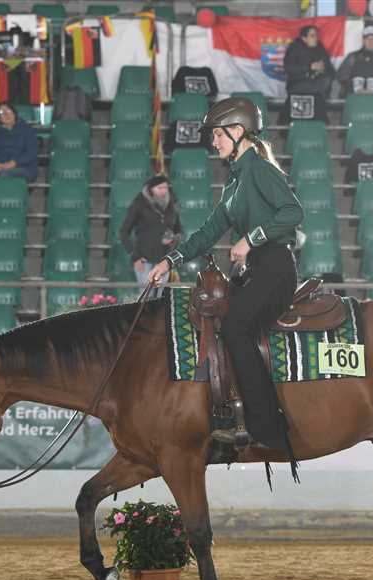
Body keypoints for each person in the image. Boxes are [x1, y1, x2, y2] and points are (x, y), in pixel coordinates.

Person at [146, 97, 303, 465]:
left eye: (218, 134)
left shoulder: (260, 170)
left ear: (237, 131)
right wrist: (170, 260)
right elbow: (207, 232)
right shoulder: (234, 181)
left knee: (234, 327)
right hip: (255, 270)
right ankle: (229, 410)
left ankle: (268, 429)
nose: (213, 142)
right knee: (218, 323)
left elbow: (293, 212)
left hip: (276, 267)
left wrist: (252, 238)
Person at [120, 174, 183, 292]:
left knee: (160, 297)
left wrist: (174, 239)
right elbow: (124, 232)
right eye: (160, 188)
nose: (164, 191)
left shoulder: (172, 204)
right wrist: (135, 257)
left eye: (165, 187)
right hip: (144, 260)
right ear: (151, 189)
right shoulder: (139, 203)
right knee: (146, 296)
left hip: (164, 260)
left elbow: (179, 230)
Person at [0, 103, 38, 200]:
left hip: (22, 167)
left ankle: (3, 202)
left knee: (5, 175)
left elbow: (31, 153)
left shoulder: (27, 130)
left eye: (8, 110)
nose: (6, 114)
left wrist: (14, 163)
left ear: (14, 113)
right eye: (2, 112)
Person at [284, 25, 335, 98]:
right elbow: (288, 68)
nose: (316, 38)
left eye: (316, 35)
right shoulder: (294, 48)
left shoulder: (320, 48)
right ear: (304, 38)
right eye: (312, 36)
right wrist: (310, 67)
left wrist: (324, 68)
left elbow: (330, 69)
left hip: (318, 83)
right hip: (298, 84)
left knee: (328, 81)